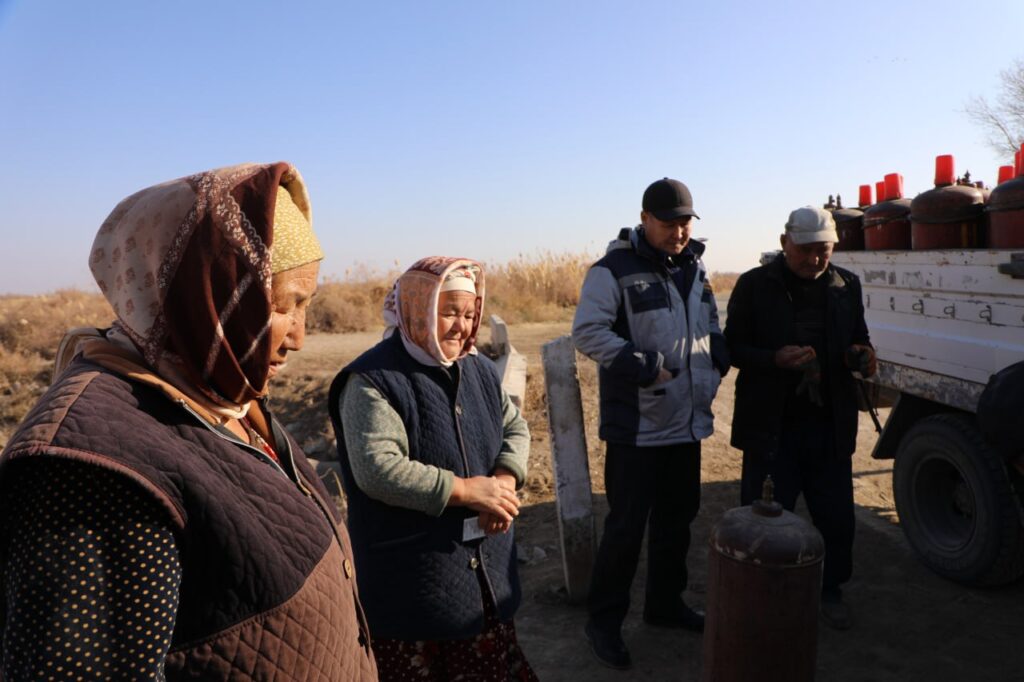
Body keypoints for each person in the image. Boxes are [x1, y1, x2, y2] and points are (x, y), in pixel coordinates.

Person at [0, 163, 378, 680]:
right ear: (205, 295)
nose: (299, 338)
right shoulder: (91, 471)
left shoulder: (220, 393)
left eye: (306, 305)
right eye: (283, 307)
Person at [328, 256, 537, 682]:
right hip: (414, 583)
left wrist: (502, 483)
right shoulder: (372, 380)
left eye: (469, 313)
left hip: (486, 578)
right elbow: (378, 468)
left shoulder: (478, 368)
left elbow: (515, 427)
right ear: (417, 309)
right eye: (449, 312)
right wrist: (467, 491)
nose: (462, 326)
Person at [572, 178, 729, 670]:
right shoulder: (612, 271)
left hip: (685, 424)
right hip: (637, 428)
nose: (679, 232)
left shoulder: (695, 268)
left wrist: (718, 356)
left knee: (676, 523)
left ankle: (664, 605)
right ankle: (603, 623)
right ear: (644, 220)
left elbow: (709, 322)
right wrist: (641, 365)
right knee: (625, 528)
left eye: (685, 222)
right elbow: (587, 331)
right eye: (668, 222)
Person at [724, 205, 876, 631]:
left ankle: (830, 590)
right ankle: (760, 593)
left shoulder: (846, 285)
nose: (814, 258)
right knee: (765, 520)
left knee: (837, 519)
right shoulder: (755, 285)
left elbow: (859, 338)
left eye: (823, 250)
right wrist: (774, 358)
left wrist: (861, 355)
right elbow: (731, 348)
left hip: (829, 426)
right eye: (805, 249)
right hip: (772, 427)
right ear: (784, 243)